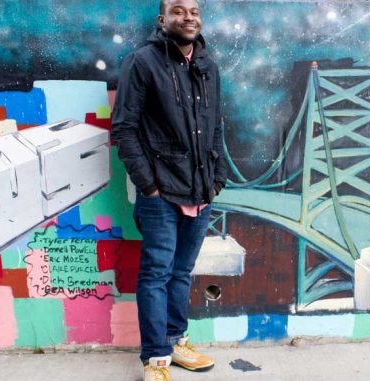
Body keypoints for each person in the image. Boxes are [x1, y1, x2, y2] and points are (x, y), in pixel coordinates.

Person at [111, 0, 226, 379]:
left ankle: (176, 341)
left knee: (181, 273)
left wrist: (217, 179)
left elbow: (216, 129)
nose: (188, 16)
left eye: (193, 10)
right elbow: (124, 130)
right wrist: (150, 185)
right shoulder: (142, 62)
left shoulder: (208, 67)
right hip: (161, 194)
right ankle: (155, 358)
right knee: (157, 274)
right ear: (163, 20)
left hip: (201, 191)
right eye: (178, 10)